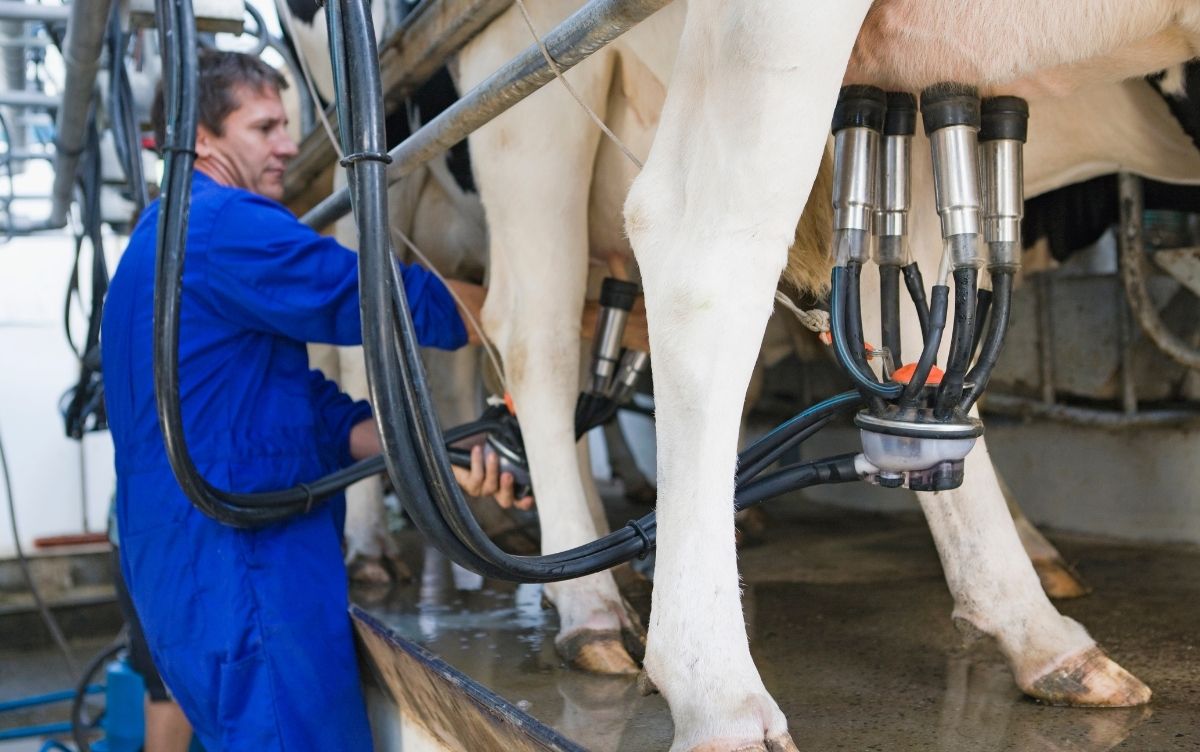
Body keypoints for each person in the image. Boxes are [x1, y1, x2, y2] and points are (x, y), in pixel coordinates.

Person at [100, 50, 528, 750]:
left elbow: (308, 416)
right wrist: (541, 312)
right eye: (264, 127)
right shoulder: (218, 225)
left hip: (202, 580)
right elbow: (374, 301)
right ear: (200, 138)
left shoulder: (164, 239)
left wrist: (439, 452)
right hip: (248, 578)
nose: (289, 145)